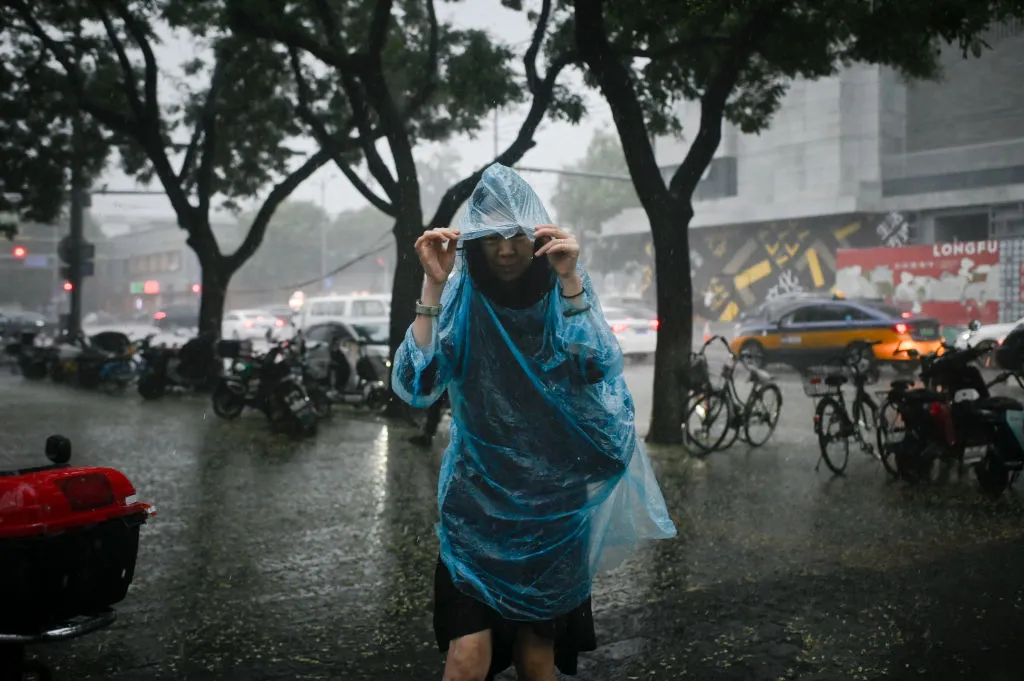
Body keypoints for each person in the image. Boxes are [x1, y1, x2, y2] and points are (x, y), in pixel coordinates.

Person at [392, 164, 676, 681]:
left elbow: (595, 366)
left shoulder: (561, 296)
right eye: (492, 237)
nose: (505, 250)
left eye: (517, 235)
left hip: (551, 511)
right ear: (474, 242)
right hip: (477, 508)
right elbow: (418, 381)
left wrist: (570, 280)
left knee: (536, 658)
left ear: (537, 237)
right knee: (466, 658)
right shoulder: (463, 299)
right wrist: (433, 287)